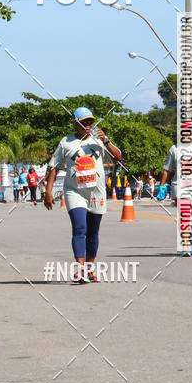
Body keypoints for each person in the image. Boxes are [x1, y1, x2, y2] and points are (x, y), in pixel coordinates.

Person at [45, 107, 122, 284]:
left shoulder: (99, 140)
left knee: (93, 232)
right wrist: (48, 192)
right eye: (84, 122)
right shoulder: (66, 142)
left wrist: (106, 140)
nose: (88, 125)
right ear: (75, 123)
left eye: (90, 122)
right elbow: (54, 167)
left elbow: (118, 158)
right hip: (75, 191)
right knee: (80, 228)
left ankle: (90, 269)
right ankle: (80, 270)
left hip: (96, 191)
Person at [157, 124, 192, 254]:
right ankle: (186, 245)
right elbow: (167, 169)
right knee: (185, 216)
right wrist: (162, 187)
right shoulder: (175, 148)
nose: (189, 133)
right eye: (186, 131)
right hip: (180, 186)